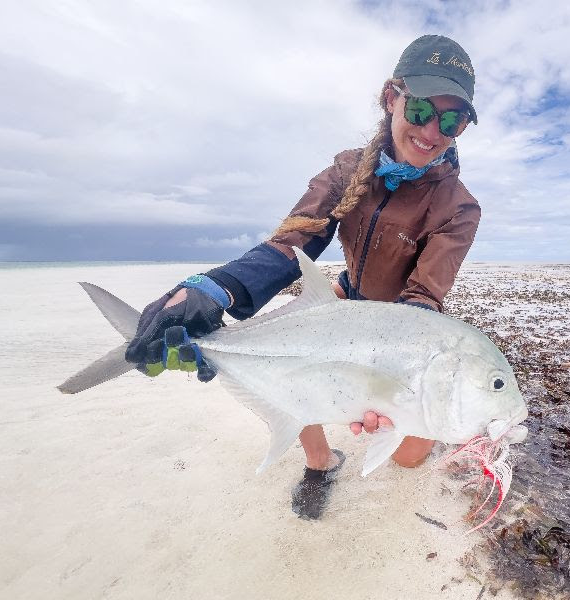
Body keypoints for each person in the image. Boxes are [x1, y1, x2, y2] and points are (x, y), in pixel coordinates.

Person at [125, 34, 481, 520]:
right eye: (421, 110)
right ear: (391, 98)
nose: (433, 131)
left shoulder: (458, 207)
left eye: (452, 119)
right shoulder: (345, 171)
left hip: (406, 322)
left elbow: (423, 298)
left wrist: (397, 380)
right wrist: (216, 287)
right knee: (294, 368)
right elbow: (293, 244)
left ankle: (408, 435)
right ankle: (320, 458)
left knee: (408, 455)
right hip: (343, 297)